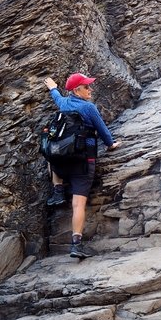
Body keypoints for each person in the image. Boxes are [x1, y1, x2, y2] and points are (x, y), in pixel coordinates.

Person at [43, 72, 120, 259]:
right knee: (78, 204)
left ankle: (58, 189)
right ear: (77, 90)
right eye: (87, 87)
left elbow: (57, 96)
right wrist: (111, 145)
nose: (90, 89)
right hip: (84, 161)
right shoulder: (89, 108)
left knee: (51, 154)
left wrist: (52, 87)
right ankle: (76, 245)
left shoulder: (64, 103)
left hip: (63, 161)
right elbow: (103, 131)